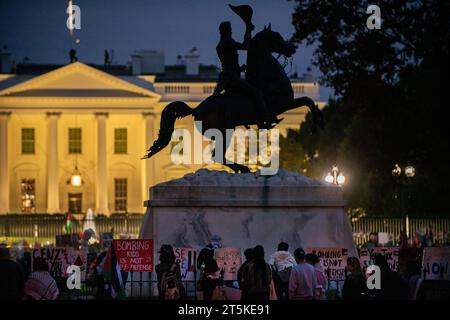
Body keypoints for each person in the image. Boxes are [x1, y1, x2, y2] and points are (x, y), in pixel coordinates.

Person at [214, 20, 279, 129]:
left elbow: (227, 64)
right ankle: (265, 119)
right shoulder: (228, 42)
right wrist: (248, 30)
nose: (231, 31)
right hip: (233, 80)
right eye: (230, 29)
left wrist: (240, 68)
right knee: (257, 92)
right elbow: (246, 46)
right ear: (226, 31)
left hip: (226, 78)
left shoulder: (220, 45)